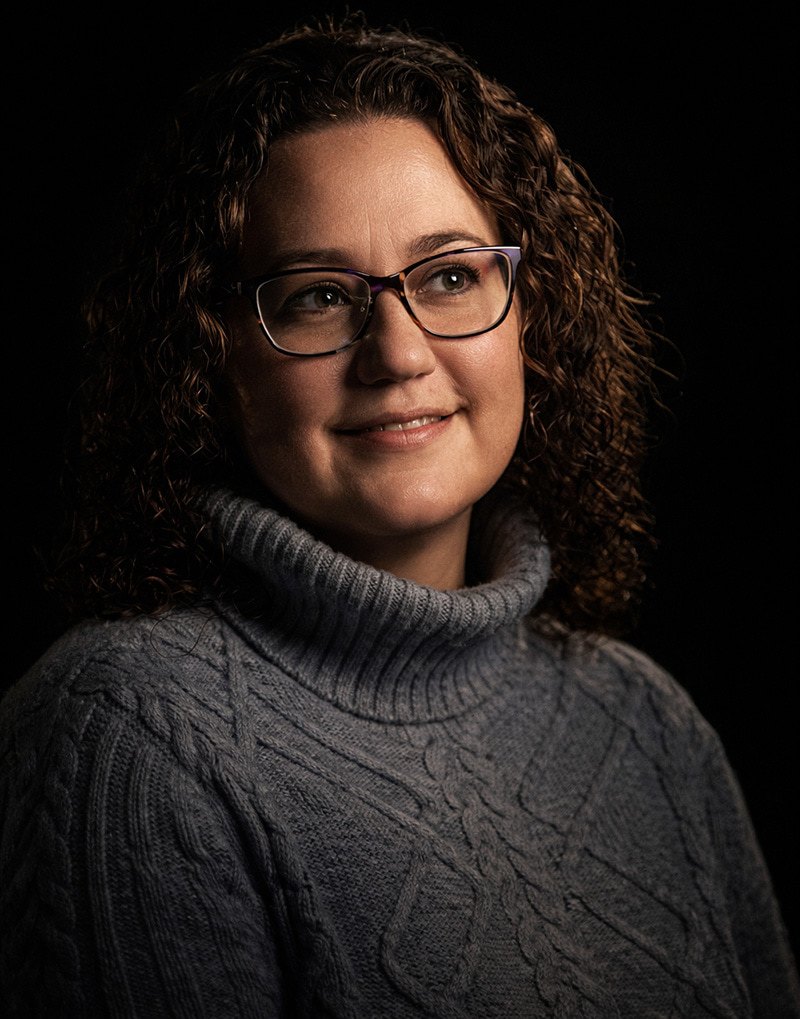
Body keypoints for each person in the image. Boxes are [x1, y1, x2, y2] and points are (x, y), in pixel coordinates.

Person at [1, 14, 797, 1018]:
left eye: (452, 276)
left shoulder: (645, 720)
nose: (397, 352)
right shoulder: (124, 730)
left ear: (532, 321)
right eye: (318, 297)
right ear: (210, 359)